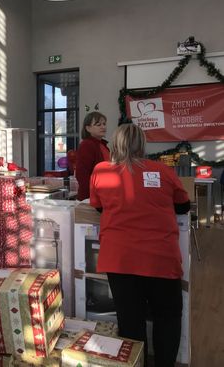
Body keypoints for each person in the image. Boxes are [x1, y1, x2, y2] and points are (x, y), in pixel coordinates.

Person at [90, 123, 190, 367]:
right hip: (160, 259)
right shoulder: (162, 171)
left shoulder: (102, 170)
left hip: (120, 260)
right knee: (167, 318)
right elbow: (183, 205)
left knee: (130, 322)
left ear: (116, 145)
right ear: (142, 145)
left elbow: (98, 205)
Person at [75, 111, 110, 200]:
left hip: (104, 193)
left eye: (104, 124)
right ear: (88, 128)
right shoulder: (87, 145)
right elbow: (82, 174)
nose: (103, 127)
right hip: (91, 196)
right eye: (98, 125)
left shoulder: (102, 145)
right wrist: (91, 195)